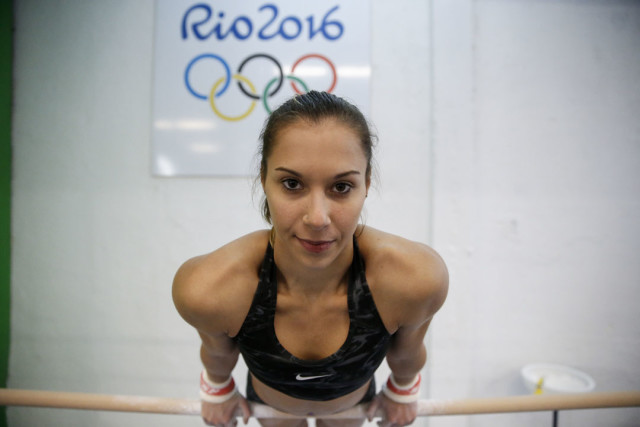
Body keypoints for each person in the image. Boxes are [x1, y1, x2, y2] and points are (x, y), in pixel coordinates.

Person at [172, 91, 448, 427]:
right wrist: (217, 389)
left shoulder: (414, 280)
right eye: (292, 183)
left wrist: (402, 391)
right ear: (263, 179)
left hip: (351, 406)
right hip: (273, 410)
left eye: (342, 187)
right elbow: (217, 354)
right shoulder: (211, 288)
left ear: (367, 183)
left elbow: (407, 355)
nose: (317, 219)